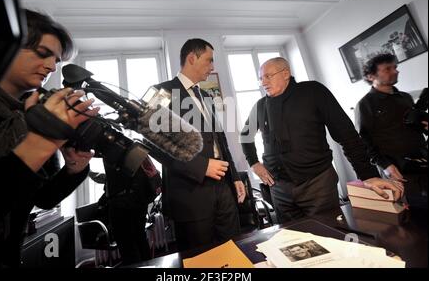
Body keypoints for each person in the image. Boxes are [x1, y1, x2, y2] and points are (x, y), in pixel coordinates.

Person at [0, 9, 99, 267]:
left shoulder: (33, 112)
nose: (52, 66)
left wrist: (73, 169)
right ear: (4, 46)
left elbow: (41, 198)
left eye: (56, 60)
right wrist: (42, 142)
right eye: (43, 53)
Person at [240, 57, 404, 224]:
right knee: (292, 242)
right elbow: (245, 135)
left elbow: (346, 135)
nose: (263, 82)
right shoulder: (260, 106)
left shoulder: (313, 91)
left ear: (285, 74)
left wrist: (367, 175)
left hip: (317, 185)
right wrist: (254, 163)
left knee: (331, 235)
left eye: (268, 76)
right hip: (279, 189)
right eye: (261, 78)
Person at [154, 38, 246, 251]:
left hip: (223, 189)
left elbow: (219, 140)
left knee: (233, 250)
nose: (212, 67)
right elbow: (156, 146)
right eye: (209, 60)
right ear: (192, 58)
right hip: (190, 194)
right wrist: (201, 166)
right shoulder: (162, 92)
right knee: (201, 258)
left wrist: (234, 177)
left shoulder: (205, 95)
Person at [356, 53, 427, 209]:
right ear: (370, 76)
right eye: (387, 69)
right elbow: (364, 140)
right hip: (397, 170)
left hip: (422, 160)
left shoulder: (406, 98)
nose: (395, 71)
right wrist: (385, 165)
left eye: (395, 67)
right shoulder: (365, 104)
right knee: (415, 213)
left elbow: (413, 127)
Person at [90, 156, 161, 265]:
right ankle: (148, 265)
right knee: (140, 238)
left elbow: (114, 180)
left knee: (127, 244)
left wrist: (86, 170)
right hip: (140, 201)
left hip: (122, 204)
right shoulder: (135, 149)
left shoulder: (114, 151)